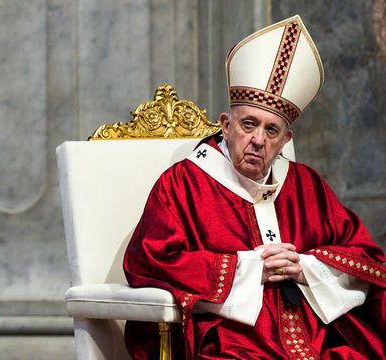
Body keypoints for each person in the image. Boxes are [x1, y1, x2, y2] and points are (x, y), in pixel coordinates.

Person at [123, 15, 386, 359]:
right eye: (248, 124)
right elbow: (150, 261)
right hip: (233, 339)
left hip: (315, 335)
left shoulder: (307, 184)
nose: (258, 140)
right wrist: (249, 268)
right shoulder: (184, 183)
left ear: (285, 140)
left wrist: (306, 266)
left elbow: (367, 258)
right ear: (226, 125)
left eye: (272, 130)